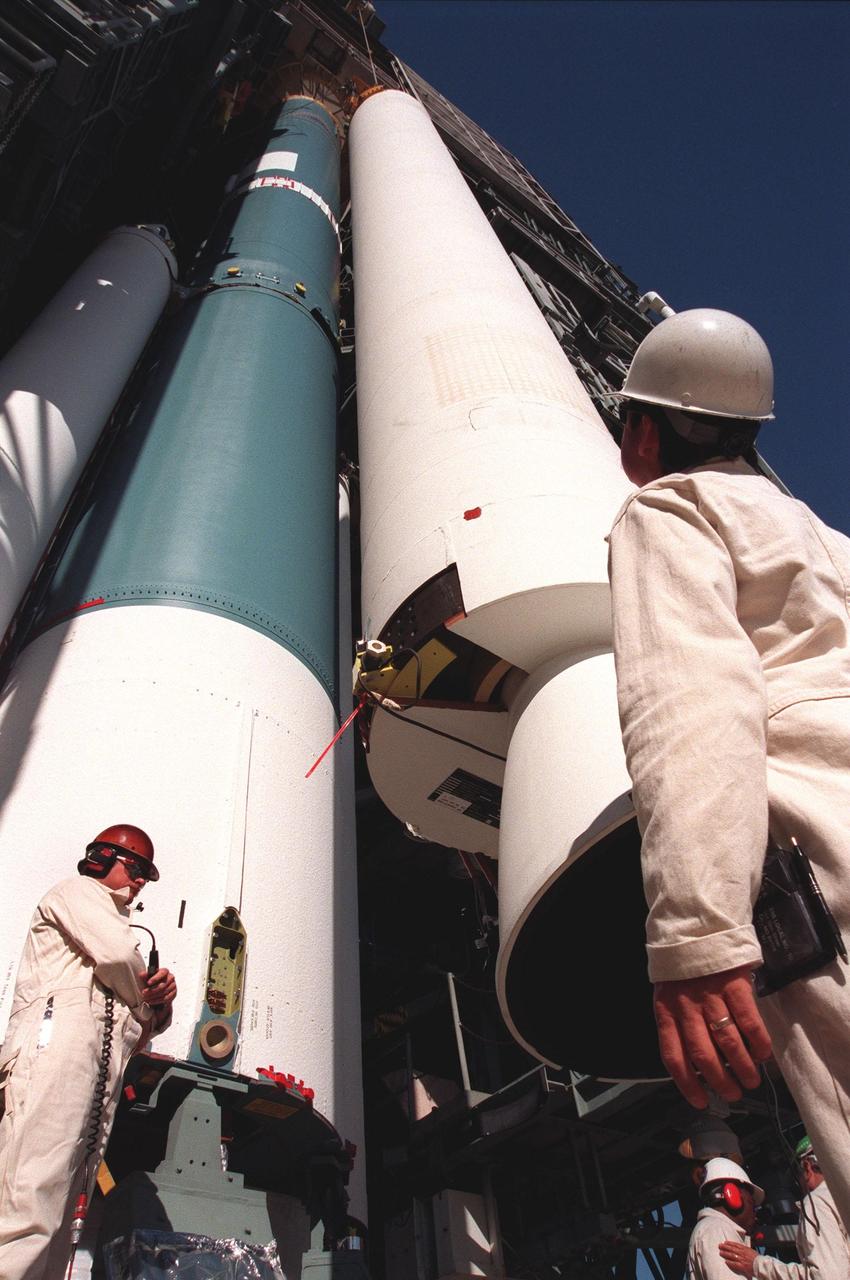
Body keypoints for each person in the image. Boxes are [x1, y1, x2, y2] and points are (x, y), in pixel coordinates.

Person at [606, 308, 850, 1230]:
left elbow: (692, 701)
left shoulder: (670, 512)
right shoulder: (828, 541)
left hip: (827, 859)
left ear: (643, 427)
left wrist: (699, 937)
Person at [0, 823, 177, 1280]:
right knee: (31, 1197)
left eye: (147, 873)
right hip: (55, 1056)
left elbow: (138, 1030)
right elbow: (119, 956)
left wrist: (161, 1004)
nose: (140, 880)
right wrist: (149, 997)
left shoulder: (117, 927)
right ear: (100, 859)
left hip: (93, 1079)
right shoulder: (78, 892)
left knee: (62, 1217)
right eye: (134, 866)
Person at [719, 1137, 850, 1280]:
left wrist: (758, 1265)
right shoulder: (841, 1197)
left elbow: (827, 1276)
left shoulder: (817, 1202)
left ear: (806, 1167)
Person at [687, 1156, 764, 1280]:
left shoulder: (714, 1229)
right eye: (752, 1204)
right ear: (732, 1195)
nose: (755, 1215)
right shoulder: (716, 1229)